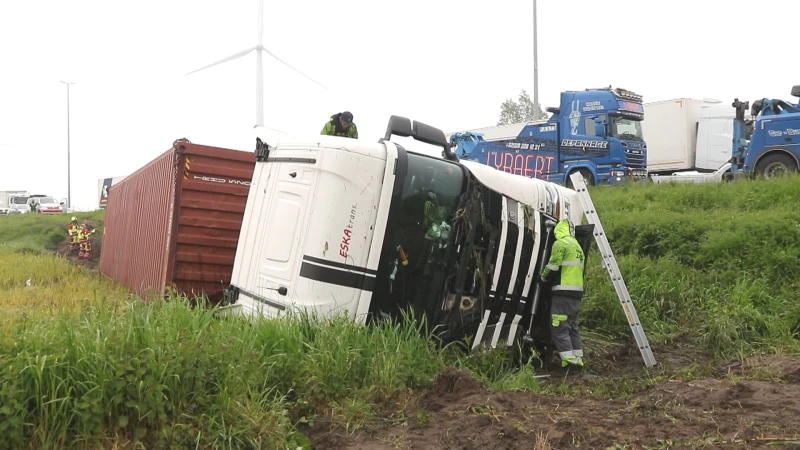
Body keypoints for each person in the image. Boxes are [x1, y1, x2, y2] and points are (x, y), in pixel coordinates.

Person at [540, 219, 586, 376]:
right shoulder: (577, 245)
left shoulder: (560, 243)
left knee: (559, 329)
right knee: (572, 328)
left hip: (563, 293)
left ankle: (569, 365)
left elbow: (553, 266)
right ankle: (578, 360)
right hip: (576, 295)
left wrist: (543, 278)